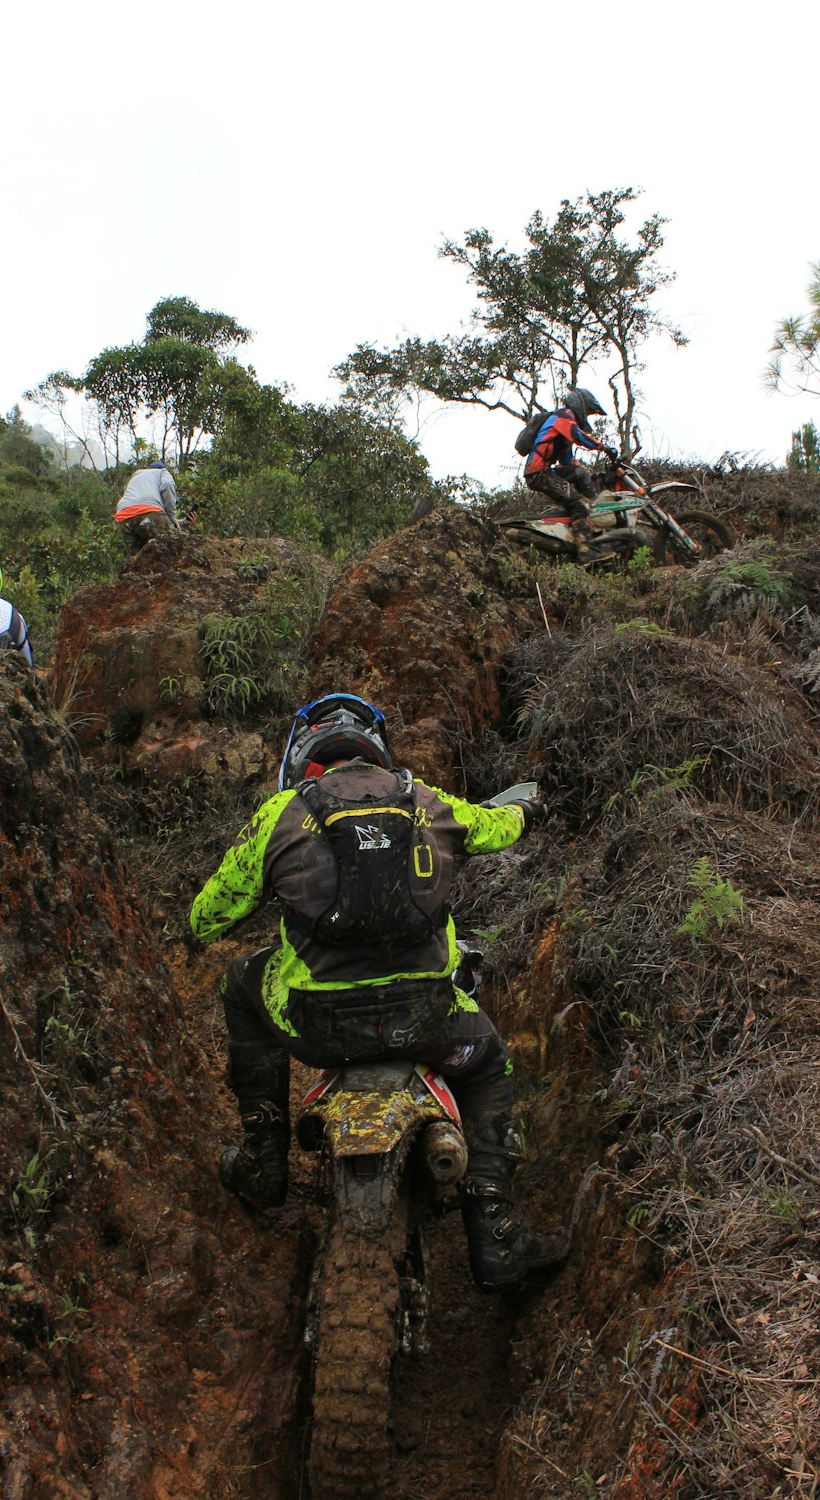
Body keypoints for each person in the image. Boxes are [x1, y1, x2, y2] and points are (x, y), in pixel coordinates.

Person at [189, 693, 565, 1292]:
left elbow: (207, 920)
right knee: (490, 1062)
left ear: (307, 758)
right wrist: (527, 805)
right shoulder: (426, 803)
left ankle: (265, 1162)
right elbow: (500, 826)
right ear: (376, 751)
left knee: (240, 983)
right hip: (429, 1022)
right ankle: (493, 1236)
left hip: (317, 1026)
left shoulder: (280, 814)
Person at [523, 388, 619, 555]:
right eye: (588, 411)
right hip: (538, 472)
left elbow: (568, 460)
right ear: (580, 404)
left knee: (580, 473)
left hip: (545, 471)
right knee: (580, 507)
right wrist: (603, 447)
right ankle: (585, 551)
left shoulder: (564, 427)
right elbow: (579, 435)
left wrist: (591, 475)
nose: (587, 415)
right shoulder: (563, 417)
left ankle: (595, 507)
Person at [114, 460, 181, 553]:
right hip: (148, 511)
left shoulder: (136, 476)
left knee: (139, 561)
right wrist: (172, 517)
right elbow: (167, 484)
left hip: (123, 516)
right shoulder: (162, 472)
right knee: (173, 547)